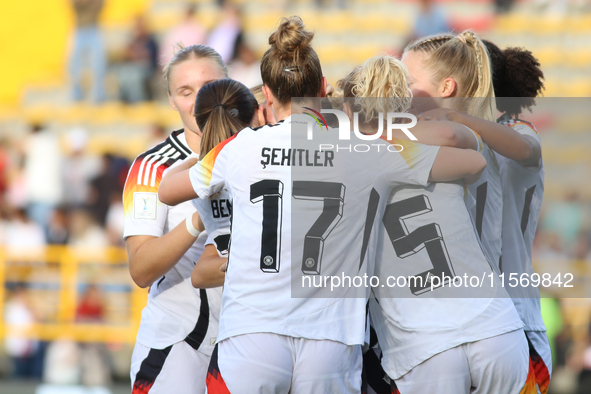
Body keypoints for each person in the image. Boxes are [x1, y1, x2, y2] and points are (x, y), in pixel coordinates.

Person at [159, 16, 487, 394]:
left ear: (266, 93)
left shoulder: (237, 148)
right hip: (331, 337)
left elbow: (168, 191)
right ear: (322, 86)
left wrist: (208, 153)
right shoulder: (365, 146)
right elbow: (472, 162)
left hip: (254, 333)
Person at [346, 54, 529, 394]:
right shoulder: (436, 152)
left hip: (423, 346)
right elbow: (467, 149)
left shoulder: (346, 166)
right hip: (494, 326)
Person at [418, 41, 550, 394]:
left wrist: (457, 118)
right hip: (464, 320)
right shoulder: (447, 135)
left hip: (516, 317)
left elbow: (526, 150)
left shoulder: (516, 131)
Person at [123, 44, 227, 394]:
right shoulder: (151, 167)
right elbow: (140, 268)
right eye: (186, 91)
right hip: (179, 344)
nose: (200, 100)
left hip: (250, 341)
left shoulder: (258, 151)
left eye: (209, 85)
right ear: (171, 100)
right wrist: (198, 218)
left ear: (229, 85)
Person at [401, 30, 503, 285]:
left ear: (446, 87)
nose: (398, 94)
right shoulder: (466, 134)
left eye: (408, 83)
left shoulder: (466, 138)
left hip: (477, 302)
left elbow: (448, 134)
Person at [69, 0, 106, 102]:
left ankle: (99, 95)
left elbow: (101, 5)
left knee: (98, 65)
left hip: (93, 29)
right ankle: (75, 95)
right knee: (73, 66)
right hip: (79, 29)